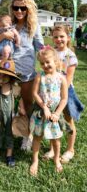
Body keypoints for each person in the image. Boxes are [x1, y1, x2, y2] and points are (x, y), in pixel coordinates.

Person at [0, 0, 44, 150]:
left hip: (27, 73)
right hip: (8, 71)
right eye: (16, 7)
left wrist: (52, 61)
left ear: (28, 9)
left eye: (23, 7)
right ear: (12, 8)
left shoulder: (34, 27)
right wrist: (4, 35)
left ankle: (27, 136)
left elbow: (40, 47)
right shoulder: (8, 23)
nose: (19, 10)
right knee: (2, 103)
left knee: (27, 105)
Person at [43, 25, 84, 163]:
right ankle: (53, 149)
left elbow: (68, 79)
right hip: (51, 92)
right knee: (53, 121)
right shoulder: (51, 53)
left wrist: (61, 97)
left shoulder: (70, 56)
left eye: (62, 36)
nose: (59, 39)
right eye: (55, 37)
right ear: (52, 38)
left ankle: (70, 150)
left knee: (68, 120)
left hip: (66, 92)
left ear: (68, 38)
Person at [29, 46, 68, 176]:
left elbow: (64, 98)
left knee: (56, 139)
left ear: (56, 62)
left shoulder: (62, 78)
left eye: (48, 62)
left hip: (55, 113)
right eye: (42, 63)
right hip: (41, 111)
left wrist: (57, 113)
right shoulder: (40, 76)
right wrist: (44, 107)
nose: (45, 65)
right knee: (37, 137)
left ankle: (57, 159)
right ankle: (35, 160)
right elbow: (35, 93)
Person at [0, 59, 25, 167]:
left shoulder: (15, 89)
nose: (2, 77)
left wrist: (22, 108)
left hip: (11, 116)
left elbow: (20, 99)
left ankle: (9, 154)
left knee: (9, 134)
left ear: (11, 77)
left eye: (5, 75)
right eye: (1, 74)